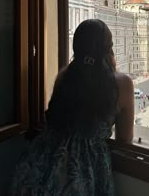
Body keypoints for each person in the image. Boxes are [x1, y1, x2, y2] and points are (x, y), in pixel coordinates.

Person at [9, 19, 134, 196]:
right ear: (108, 47)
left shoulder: (64, 76)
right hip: (85, 169)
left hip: (40, 162)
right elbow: (125, 140)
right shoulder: (122, 84)